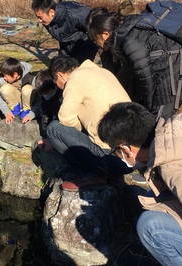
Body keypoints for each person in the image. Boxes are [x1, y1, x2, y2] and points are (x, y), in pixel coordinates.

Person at [98, 102, 182, 266]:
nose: (118, 157)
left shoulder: (173, 166)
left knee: (151, 226)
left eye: (115, 151)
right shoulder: (180, 126)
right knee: (154, 199)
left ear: (125, 148)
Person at [86, 11, 182, 120]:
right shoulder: (124, 34)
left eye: (96, 40)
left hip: (173, 73)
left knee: (158, 121)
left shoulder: (129, 42)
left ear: (105, 34)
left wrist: (147, 109)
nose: (96, 44)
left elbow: (146, 78)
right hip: (169, 68)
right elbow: (128, 70)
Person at [47, 55, 132, 190]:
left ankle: (95, 174)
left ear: (60, 75)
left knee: (53, 128)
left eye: (57, 83)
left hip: (108, 158)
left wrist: (80, 128)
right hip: (132, 157)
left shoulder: (75, 79)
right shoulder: (104, 72)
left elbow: (66, 118)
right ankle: (114, 175)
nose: (61, 88)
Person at [31, 0, 98, 64]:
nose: (39, 20)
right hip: (66, 47)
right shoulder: (47, 20)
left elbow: (97, 30)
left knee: (79, 72)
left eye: (40, 17)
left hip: (85, 47)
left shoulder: (77, 14)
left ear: (51, 12)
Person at [0, 57, 37, 124]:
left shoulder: (30, 78)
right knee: (4, 88)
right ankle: (15, 108)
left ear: (15, 74)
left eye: (6, 76)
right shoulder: (3, 81)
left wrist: (31, 114)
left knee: (27, 89)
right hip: (16, 102)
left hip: (29, 103)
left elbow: (40, 99)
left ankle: (26, 109)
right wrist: (7, 112)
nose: (4, 78)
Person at [34, 69, 63, 151]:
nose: (45, 96)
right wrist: (46, 136)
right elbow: (45, 116)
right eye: (43, 94)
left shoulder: (63, 95)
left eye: (47, 93)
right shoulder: (44, 98)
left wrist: (53, 139)